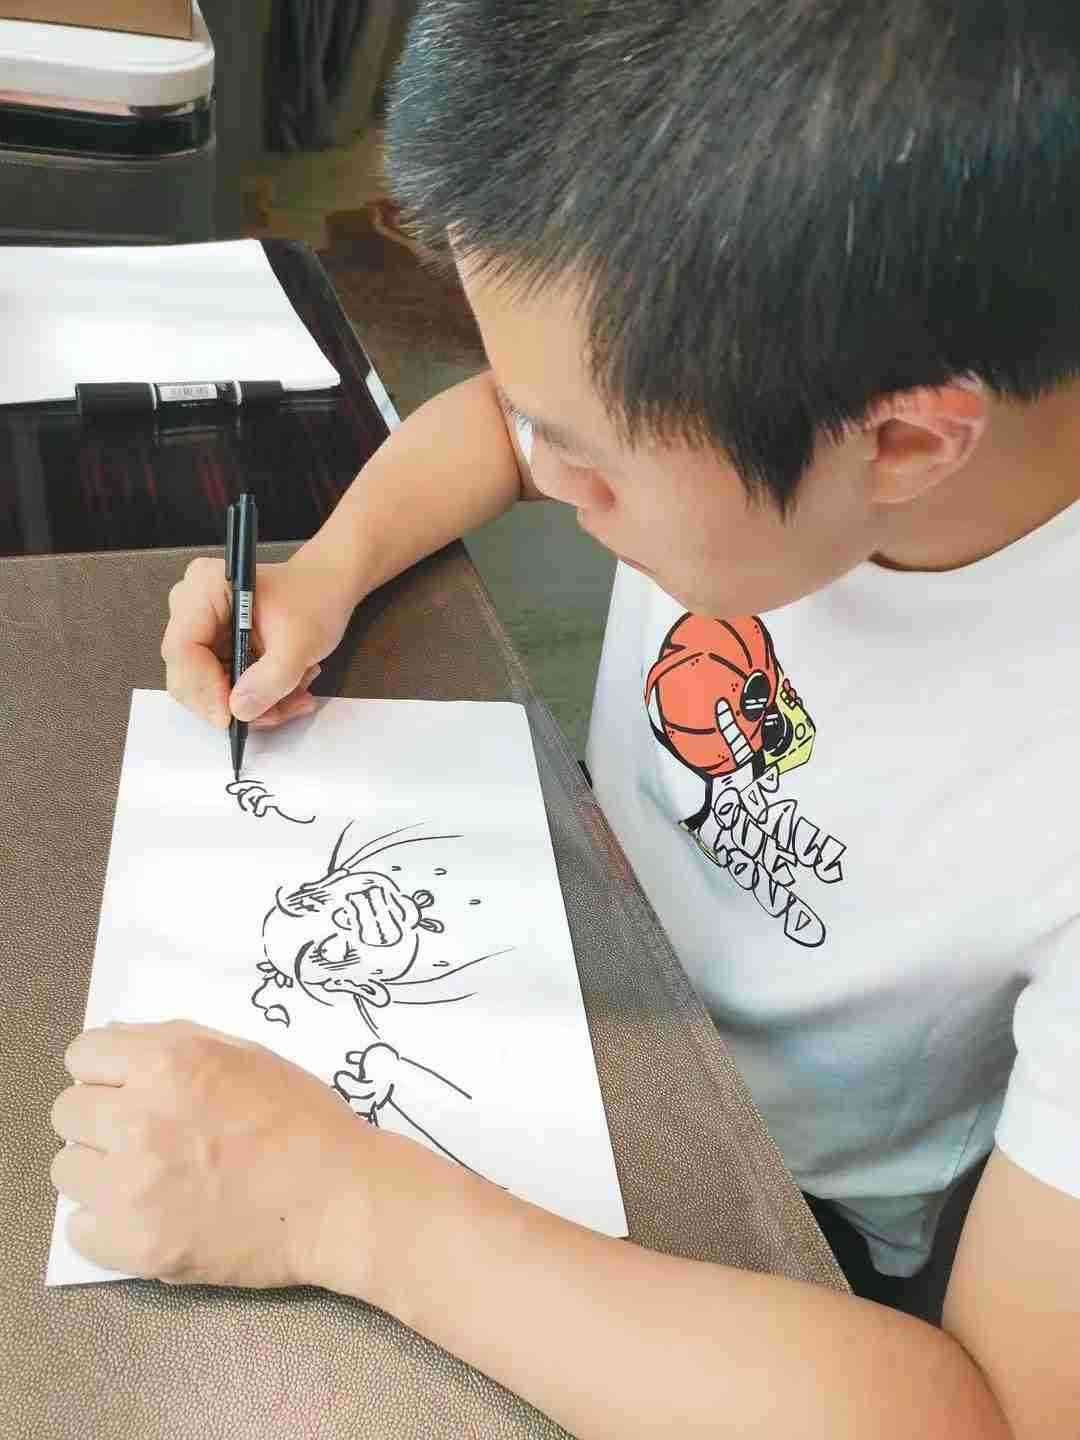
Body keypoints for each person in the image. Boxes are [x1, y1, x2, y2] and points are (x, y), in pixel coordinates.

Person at [49, 3, 1079, 1435]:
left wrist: (337, 1209)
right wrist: (327, 571)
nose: (540, 462)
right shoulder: (774, 371)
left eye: (586, 455)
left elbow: (987, 1418)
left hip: (772, 1228)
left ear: (902, 441)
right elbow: (504, 420)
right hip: (567, 952)